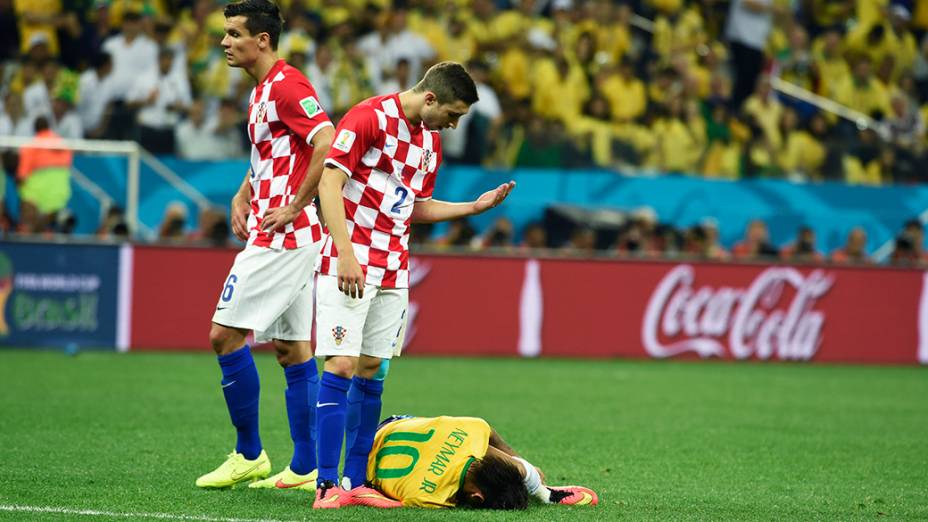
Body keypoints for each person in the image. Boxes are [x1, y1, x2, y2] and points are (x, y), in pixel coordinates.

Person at [312, 61, 516, 508]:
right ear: (430, 98)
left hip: (393, 267)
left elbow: (416, 207)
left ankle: (353, 481)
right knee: (341, 365)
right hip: (350, 259)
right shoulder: (368, 117)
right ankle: (325, 485)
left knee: (373, 370)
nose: (454, 123)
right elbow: (329, 183)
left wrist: (473, 208)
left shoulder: (429, 141)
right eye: (453, 113)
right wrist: (344, 251)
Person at [195, 0, 335, 492]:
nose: (224, 42)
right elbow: (271, 153)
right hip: (281, 232)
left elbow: (327, 140)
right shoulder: (260, 92)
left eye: (234, 34)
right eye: (224, 33)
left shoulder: (289, 85)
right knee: (293, 350)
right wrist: (243, 189)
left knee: (223, 335)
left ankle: (248, 453)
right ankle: (306, 466)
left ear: (263, 40)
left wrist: (296, 204)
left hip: (282, 238)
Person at [365, 415, 599, 509]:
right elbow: (378, 500)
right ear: (477, 497)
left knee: (474, 442)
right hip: (367, 456)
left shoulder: (474, 431)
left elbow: (490, 435)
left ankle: (539, 488)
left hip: (391, 424)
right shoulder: (428, 497)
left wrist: (521, 465)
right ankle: (543, 493)